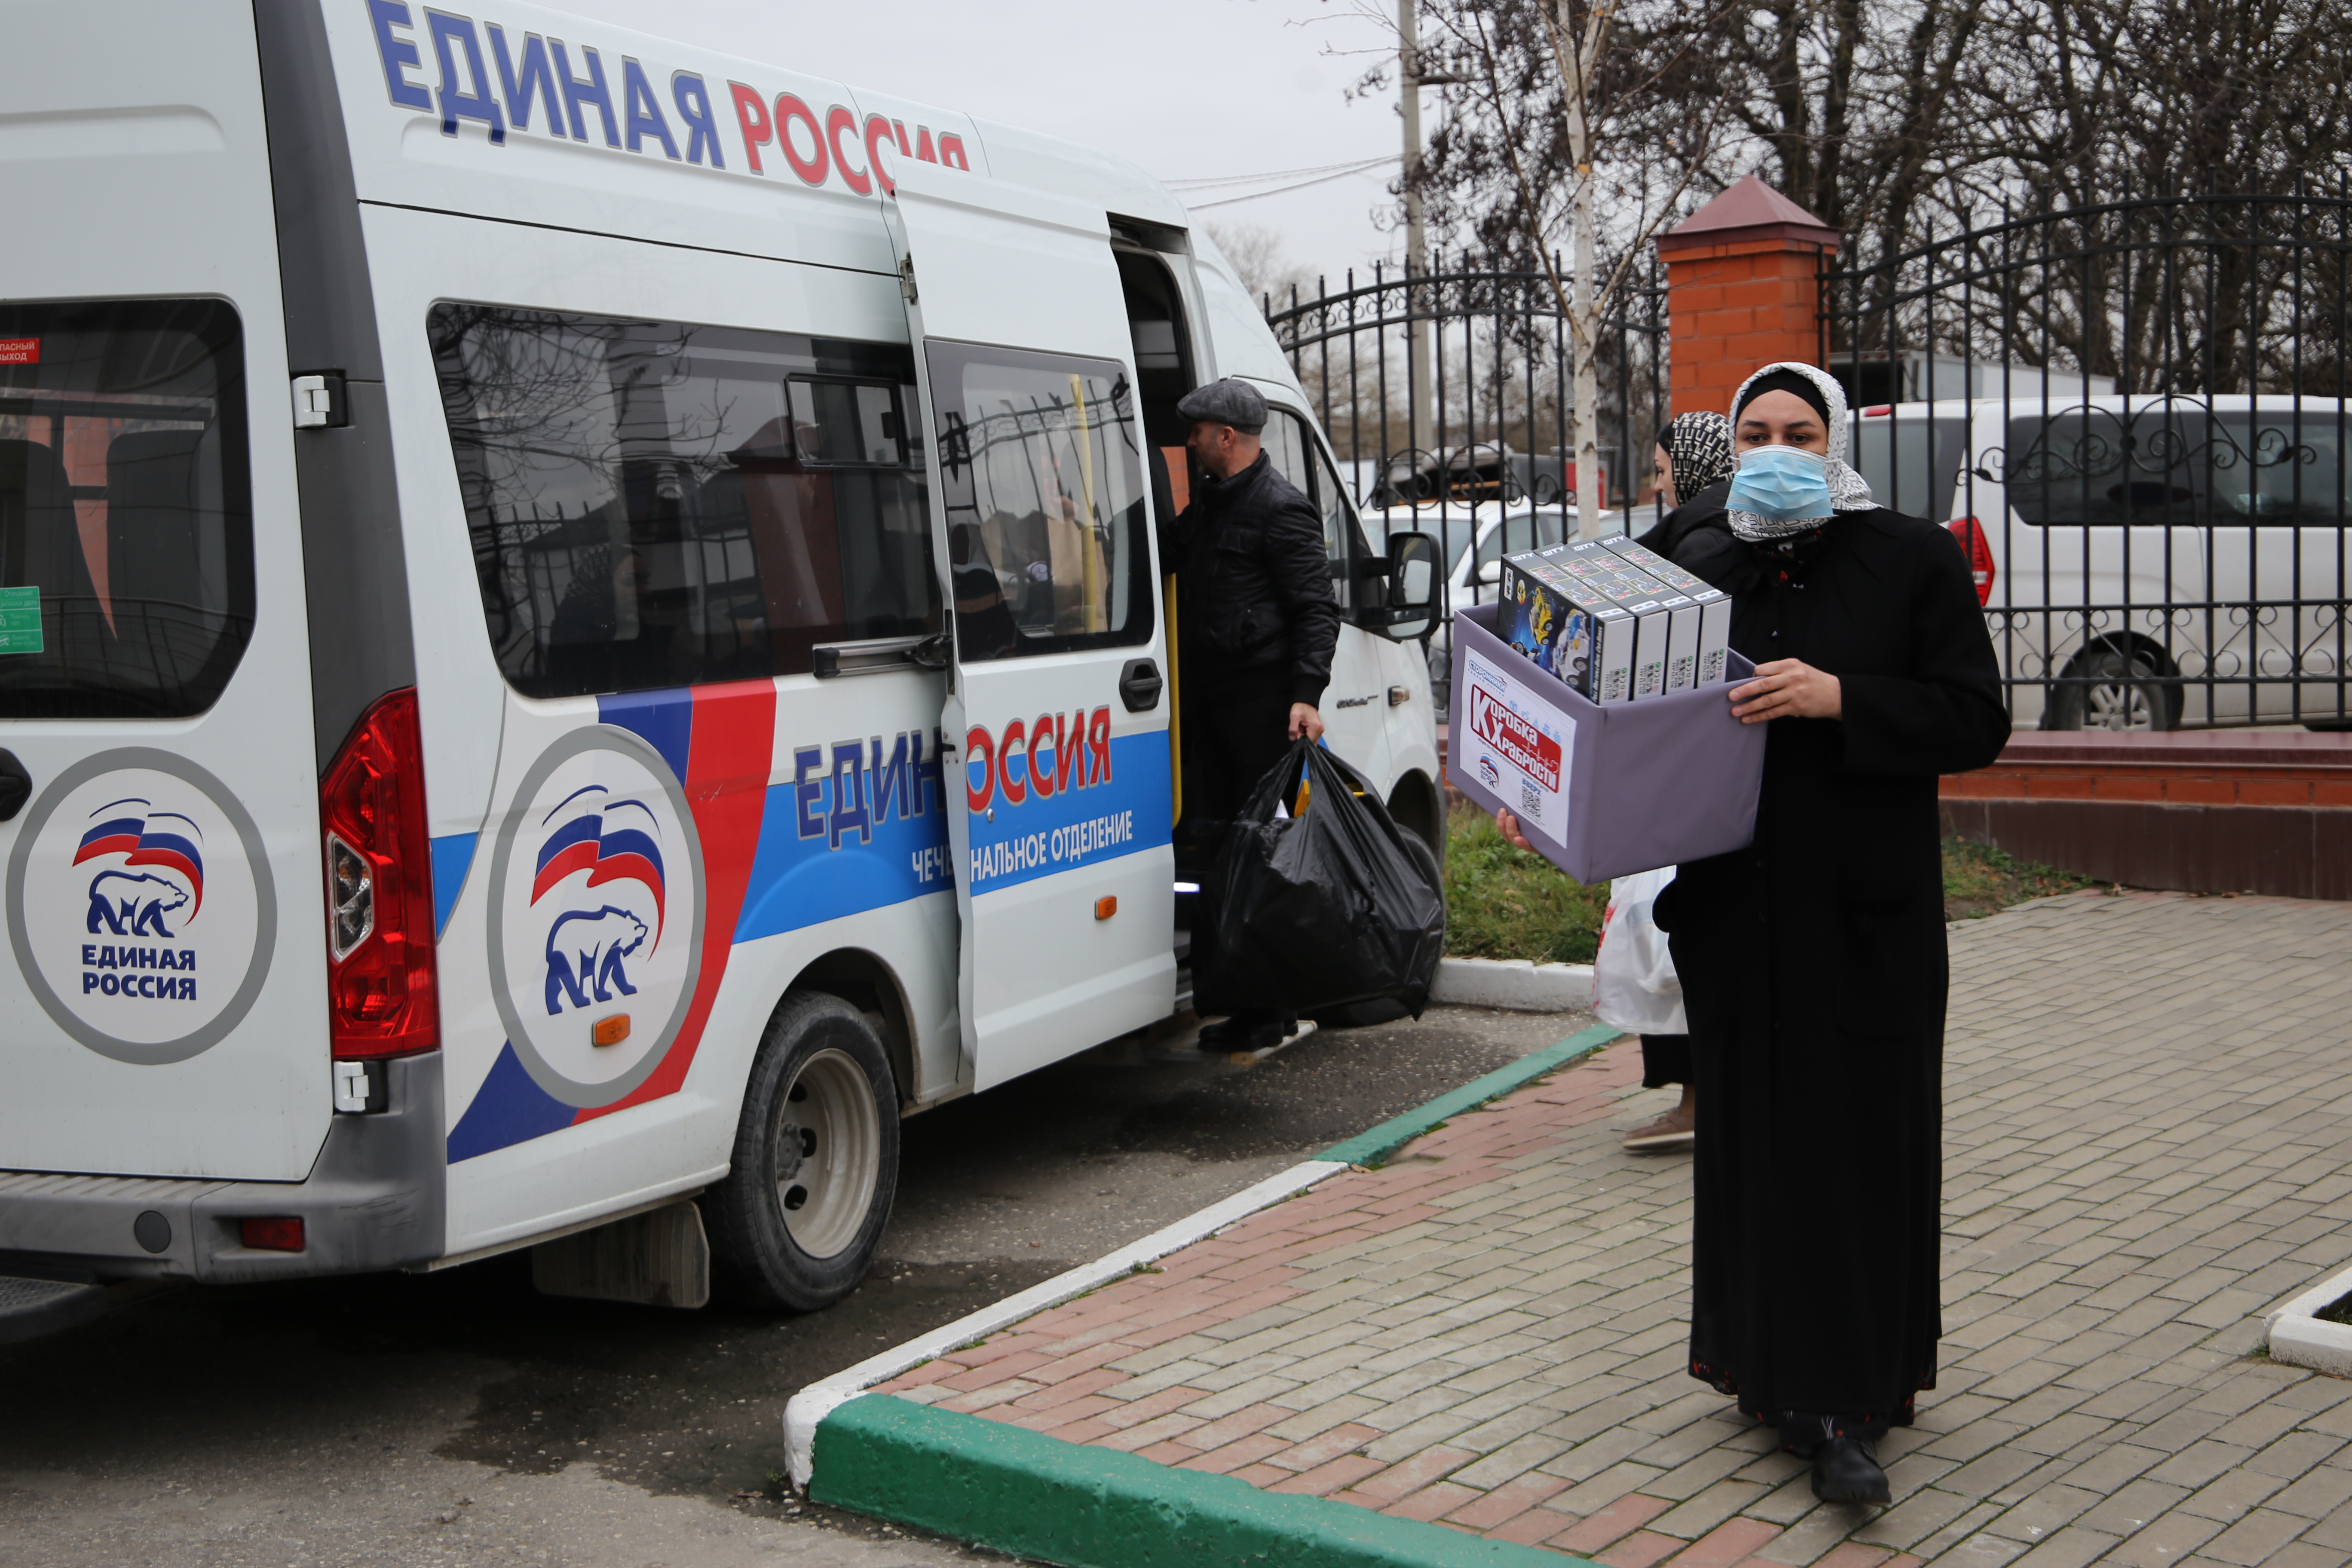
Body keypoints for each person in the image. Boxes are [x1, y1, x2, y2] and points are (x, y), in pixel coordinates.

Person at [1641, 361, 2007, 1504]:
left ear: (1838, 440)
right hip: (1735, 910)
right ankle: (1761, 1372)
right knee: (1753, 1140)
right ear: (1731, 444)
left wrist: (1840, 697)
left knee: (1854, 1143)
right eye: (1757, 432)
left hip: (1865, 916)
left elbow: (1975, 717)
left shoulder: (1912, 557)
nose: (1779, 448)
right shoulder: (1694, 561)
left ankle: (1852, 1398)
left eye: (1802, 430)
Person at [1165, 377, 1341, 1052]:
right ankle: (1235, 996)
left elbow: (1315, 610)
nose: (1191, 442)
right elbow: (1168, 554)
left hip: (1261, 712)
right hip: (1207, 708)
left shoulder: (1281, 509)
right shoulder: (1210, 506)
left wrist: (1306, 694)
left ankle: (1268, 1009)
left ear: (1226, 438)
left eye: (1198, 431)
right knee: (1218, 854)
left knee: (1260, 857)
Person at [1617, 411, 1738, 1152]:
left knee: (1676, 934)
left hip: (1688, 779)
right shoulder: (1716, 533)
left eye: (1662, 471)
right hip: (1708, 776)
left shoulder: (1699, 547)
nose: (1656, 485)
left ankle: (1701, 1101)